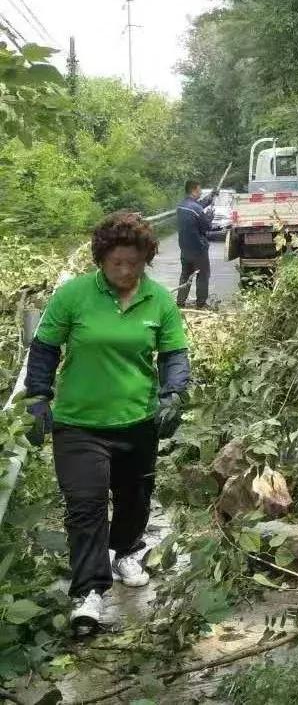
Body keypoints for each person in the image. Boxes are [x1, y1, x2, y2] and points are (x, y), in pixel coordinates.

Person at [23, 212, 190, 636]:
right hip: (79, 424)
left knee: (134, 499)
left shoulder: (158, 300)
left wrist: (173, 394)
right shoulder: (74, 296)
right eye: (116, 262)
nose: (125, 270)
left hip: (137, 421)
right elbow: (44, 349)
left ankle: (126, 551)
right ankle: (88, 593)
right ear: (101, 259)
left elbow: (174, 355)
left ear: (145, 259)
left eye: (133, 262)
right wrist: (38, 396)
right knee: (86, 505)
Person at [176, 180, 217, 309]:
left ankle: (180, 302)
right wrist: (209, 216)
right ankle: (201, 303)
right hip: (198, 249)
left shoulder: (182, 205)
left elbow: (198, 205)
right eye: (199, 189)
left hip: (185, 248)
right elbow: (206, 227)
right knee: (203, 275)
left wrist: (211, 196)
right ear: (194, 190)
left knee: (185, 275)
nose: (200, 191)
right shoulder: (197, 209)